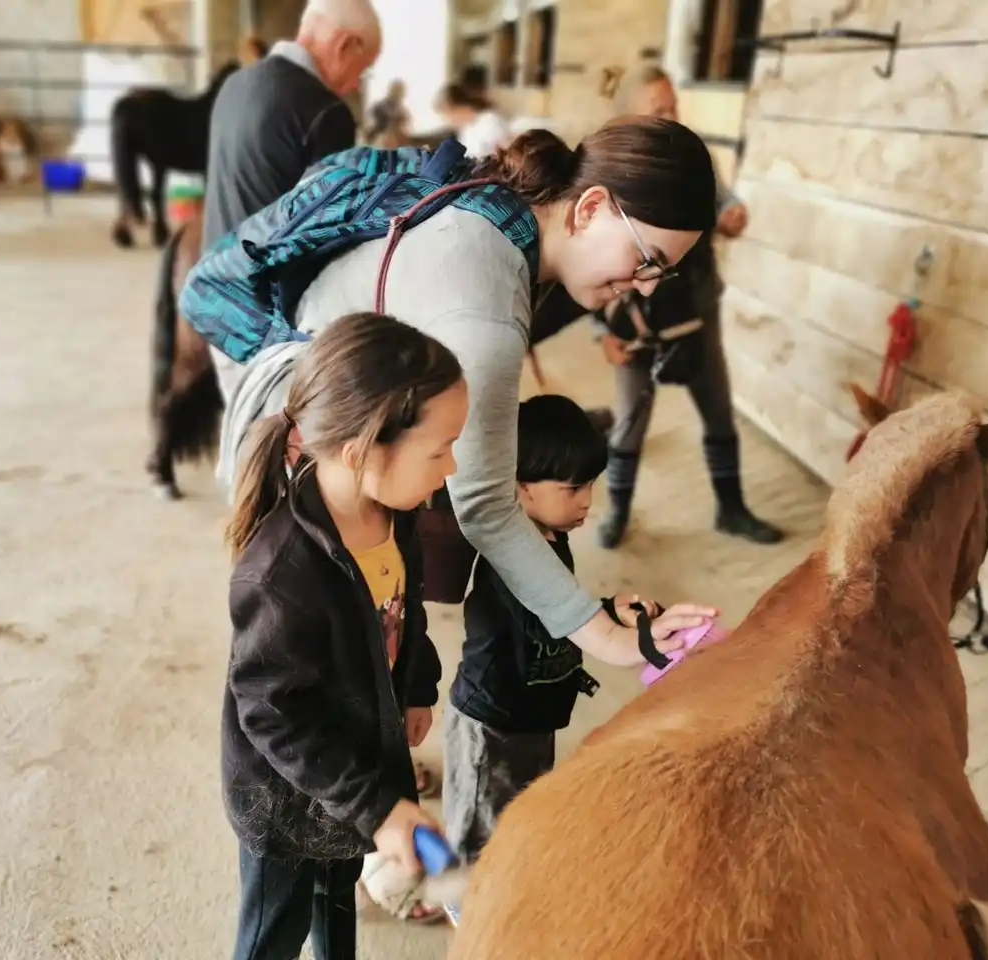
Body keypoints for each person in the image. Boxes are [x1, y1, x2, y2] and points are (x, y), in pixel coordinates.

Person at [200, 116, 720, 675]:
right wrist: (611, 640)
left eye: (660, 275)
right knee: (321, 638)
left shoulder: (501, 208)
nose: (644, 286)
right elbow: (485, 506)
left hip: (313, 378)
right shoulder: (484, 315)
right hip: (312, 430)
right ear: (590, 208)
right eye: (648, 259)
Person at [222, 311, 465, 960]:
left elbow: (400, 611)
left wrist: (415, 684)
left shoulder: (394, 514)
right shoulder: (280, 575)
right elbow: (272, 715)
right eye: (439, 449)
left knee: (339, 904)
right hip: (290, 800)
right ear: (361, 450)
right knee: (274, 932)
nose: (452, 465)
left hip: (361, 769)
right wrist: (382, 810)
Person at [444, 394, 717, 865]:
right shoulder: (513, 558)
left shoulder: (552, 538)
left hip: (534, 715)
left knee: (519, 813)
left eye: (591, 484)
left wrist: (609, 609)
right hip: (492, 725)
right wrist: (634, 637)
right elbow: (553, 619)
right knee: (479, 839)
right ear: (520, 488)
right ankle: (465, 910)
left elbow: (562, 614)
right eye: (572, 488)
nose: (588, 500)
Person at [595, 66, 782, 548]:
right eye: (659, 110)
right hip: (634, 317)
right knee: (630, 423)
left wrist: (732, 214)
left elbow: (722, 201)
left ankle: (732, 510)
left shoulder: (693, 157)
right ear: (634, 115)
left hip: (697, 305)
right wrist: (604, 332)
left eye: (674, 106)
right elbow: (589, 259)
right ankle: (616, 513)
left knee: (718, 411)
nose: (672, 116)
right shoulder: (608, 171)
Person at [202, 0, 381, 253]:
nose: (355, 85)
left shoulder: (233, 85)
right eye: (362, 70)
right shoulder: (326, 112)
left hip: (213, 276)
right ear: (345, 45)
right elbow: (328, 233)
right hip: (267, 287)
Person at [435, 81, 512, 159]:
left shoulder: (491, 121)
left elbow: (504, 156)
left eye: (448, 114)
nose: (449, 121)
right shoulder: (466, 129)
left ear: (460, 106)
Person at [363, 79, 411, 148]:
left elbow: (405, 125)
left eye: (400, 91)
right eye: (397, 90)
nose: (399, 94)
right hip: (382, 141)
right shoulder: (381, 106)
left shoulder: (401, 110)